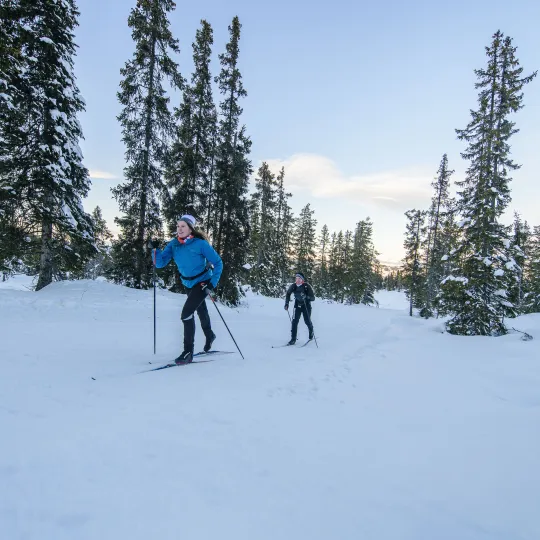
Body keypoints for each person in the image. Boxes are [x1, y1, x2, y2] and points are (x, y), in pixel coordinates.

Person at [152, 215, 223, 364]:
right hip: (188, 283)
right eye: (178, 226)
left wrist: (212, 284)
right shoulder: (174, 245)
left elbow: (218, 263)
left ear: (191, 228)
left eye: (183, 226)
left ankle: (187, 352)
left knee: (186, 314)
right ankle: (210, 335)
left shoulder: (200, 244)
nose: (179, 229)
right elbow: (160, 263)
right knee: (201, 310)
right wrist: (155, 249)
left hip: (203, 282)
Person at [284, 272, 315, 345]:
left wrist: (306, 297)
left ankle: (311, 331)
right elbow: (288, 294)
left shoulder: (306, 286)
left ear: (302, 280)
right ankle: (293, 339)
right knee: (294, 322)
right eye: (296, 278)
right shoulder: (294, 286)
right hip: (297, 305)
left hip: (306, 306)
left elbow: (313, 298)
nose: (297, 280)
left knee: (307, 321)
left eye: (299, 279)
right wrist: (287, 303)